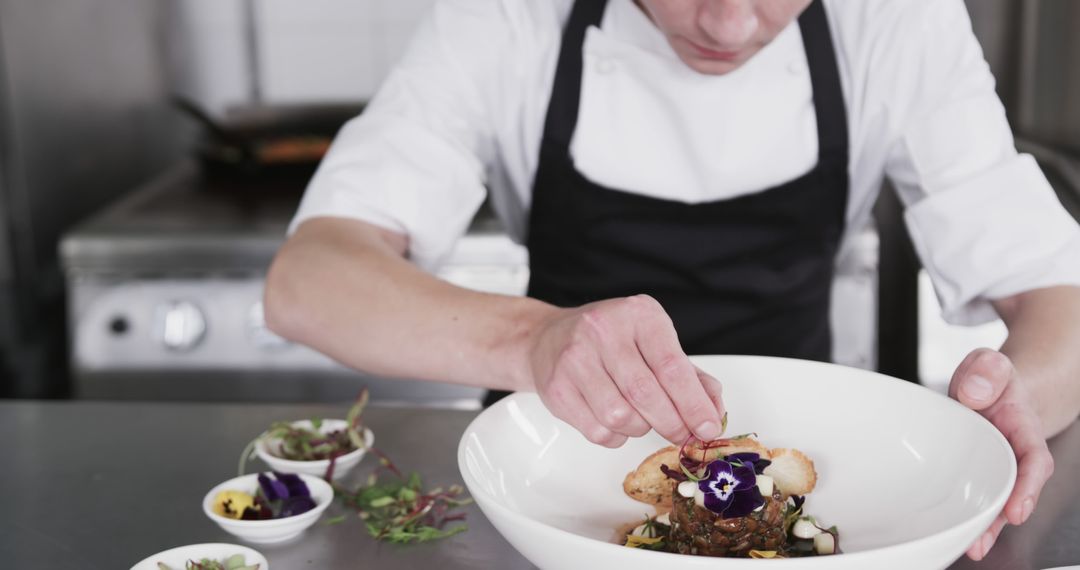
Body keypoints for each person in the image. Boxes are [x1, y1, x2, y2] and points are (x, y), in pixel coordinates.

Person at [264, 0, 1080, 560]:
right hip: (550, 496)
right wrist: (534, 338)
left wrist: (1017, 404)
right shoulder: (507, 15)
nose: (729, 22)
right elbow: (309, 279)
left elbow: (1059, 293)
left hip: (817, 496)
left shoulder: (896, 19)